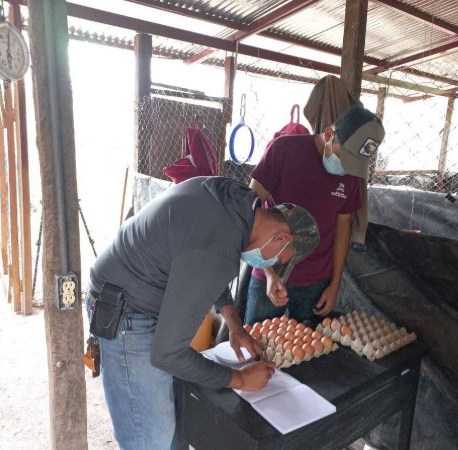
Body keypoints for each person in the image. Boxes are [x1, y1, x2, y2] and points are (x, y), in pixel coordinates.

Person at [85, 176, 319, 449]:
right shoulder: (219, 246)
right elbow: (167, 354)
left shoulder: (236, 202)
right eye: (279, 259)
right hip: (126, 313)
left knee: (171, 422)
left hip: (127, 290)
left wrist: (234, 324)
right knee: (149, 439)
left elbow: (202, 263)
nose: (272, 264)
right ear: (282, 237)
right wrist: (240, 379)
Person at [244, 106, 385, 325]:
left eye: (353, 163)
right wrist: (270, 273)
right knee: (256, 345)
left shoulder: (352, 176)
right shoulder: (284, 150)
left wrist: (335, 284)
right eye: (343, 157)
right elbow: (249, 209)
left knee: (310, 350)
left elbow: (343, 228)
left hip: (316, 279)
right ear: (329, 134)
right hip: (270, 269)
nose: (346, 169)